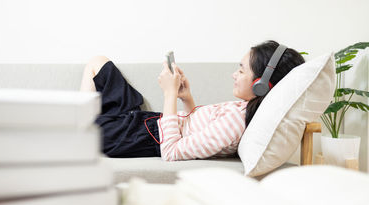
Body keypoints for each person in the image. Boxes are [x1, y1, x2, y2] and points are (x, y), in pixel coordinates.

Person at [80, 40, 305, 160]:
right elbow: (196, 128)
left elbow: (171, 152)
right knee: (98, 62)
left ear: (262, 85)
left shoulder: (237, 124)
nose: (234, 75)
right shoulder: (243, 108)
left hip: (138, 137)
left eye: (241, 71)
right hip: (145, 123)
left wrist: (169, 95)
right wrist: (186, 98)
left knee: (79, 130)